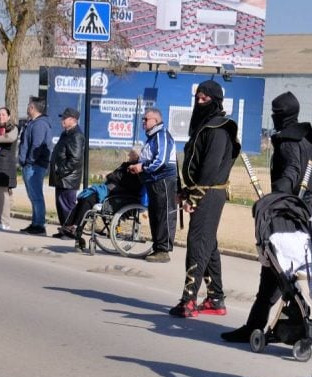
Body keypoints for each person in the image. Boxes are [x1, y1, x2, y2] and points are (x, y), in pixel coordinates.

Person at [221, 90, 312, 341]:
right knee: (281, 275)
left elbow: (292, 174)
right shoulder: (309, 142)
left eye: (275, 115)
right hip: (304, 214)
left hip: (287, 215)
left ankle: (260, 326)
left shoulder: (289, 143)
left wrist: (273, 200)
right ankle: (274, 325)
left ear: (280, 116)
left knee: (276, 272)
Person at [170, 81, 240, 318]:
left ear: (216, 100)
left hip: (210, 192)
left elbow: (209, 170)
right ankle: (215, 298)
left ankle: (188, 300)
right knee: (208, 244)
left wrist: (195, 197)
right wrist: (187, 191)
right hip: (202, 190)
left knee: (198, 243)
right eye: (198, 98)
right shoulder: (205, 125)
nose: (200, 102)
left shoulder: (219, 128)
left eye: (205, 99)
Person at [70, 149, 143, 251]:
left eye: (131, 153)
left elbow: (121, 181)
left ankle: (76, 228)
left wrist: (112, 180)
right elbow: (114, 177)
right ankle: (73, 226)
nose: (129, 155)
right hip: (112, 192)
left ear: (136, 156)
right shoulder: (127, 165)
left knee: (88, 199)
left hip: (119, 197)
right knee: (85, 198)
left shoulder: (135, 169)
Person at [129, 107, 177, 263]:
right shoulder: (152, 137)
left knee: (163, 215)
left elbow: (161, 160)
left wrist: (141, 167)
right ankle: (157, 248)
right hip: (152, 180)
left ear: (155, 121)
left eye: (146, 119)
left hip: (162, 180)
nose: (143, 122)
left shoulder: (161, 135)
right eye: (142, 119)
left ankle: (163, 250)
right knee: (155, 215)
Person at [17, 97, 53, 235]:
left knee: (36, 195)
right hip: (31, 165)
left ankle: (39, 225)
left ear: (32, 108)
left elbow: (36, 145)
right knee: (33, 195)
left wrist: (29, 161)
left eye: (28, 106)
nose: (27, 108)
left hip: (35, 165)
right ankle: (35, 222)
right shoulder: (32, 123)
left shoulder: (39, 124)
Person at [48, 107, 85, 238]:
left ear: (73, 120)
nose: (62, 120)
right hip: (61, 177)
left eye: (65, 118)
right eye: (62, 118)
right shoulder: (66, 133)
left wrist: (60, 171)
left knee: (67, 205)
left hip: (68, 178)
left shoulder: (76, 135)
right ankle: (64, 229)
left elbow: (75, 159)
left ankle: (70, 231)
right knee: (60, 204)